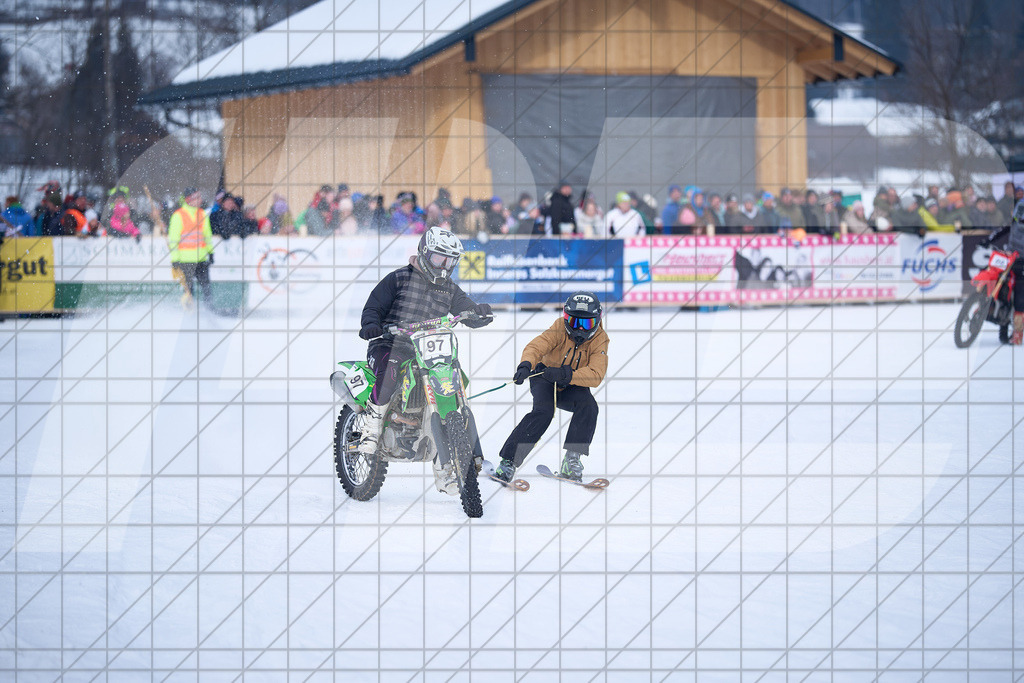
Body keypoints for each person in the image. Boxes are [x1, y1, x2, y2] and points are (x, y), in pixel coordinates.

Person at [357, 227, 493, 482]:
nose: (444, 266)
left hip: (430, 352)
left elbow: (468, 311)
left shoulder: (449, 288)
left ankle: (451, 465)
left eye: (450, 260)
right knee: (390, 373)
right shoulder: (398, 279)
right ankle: (372, 428)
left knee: (455, 381)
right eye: (439, 258)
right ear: (424, 252)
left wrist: (479, 313)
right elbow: (374, 306)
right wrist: (371, 325)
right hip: (391, 345)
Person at [493, 291, 609, 483]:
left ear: (597, 320)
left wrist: (567, 375)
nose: (579, 329)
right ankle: (508, 461)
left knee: (588, 406)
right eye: (574, 322)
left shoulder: (600, 339)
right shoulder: (559, 328)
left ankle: (572, 459)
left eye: (586, 323)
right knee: (543, 412)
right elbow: (536, 346)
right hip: (544, 377)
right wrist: (526, 365)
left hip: (571, 381)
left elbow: (596, 374)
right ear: (565, 318)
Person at [981, 199, 1024, 344]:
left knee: (1019, 295)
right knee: (1002, 287)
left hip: (1023, 261)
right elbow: (1004, 228)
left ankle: (1018, 332)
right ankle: (995, 316)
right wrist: (988, 240)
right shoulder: (1016, 216)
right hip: (1011, 256)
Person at [168, 187, 215, 308]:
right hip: (185, 260)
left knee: (206, 288)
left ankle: (210, 309)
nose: (199, 200)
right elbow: (173, 240)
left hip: (201, 259)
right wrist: (175, 259)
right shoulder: (178, 216)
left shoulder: (202, 213)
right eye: (196, 197)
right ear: (189, 199)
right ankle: (189, 312)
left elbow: (207, 235)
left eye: (199, 197)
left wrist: (211, 252)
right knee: (189, 290)